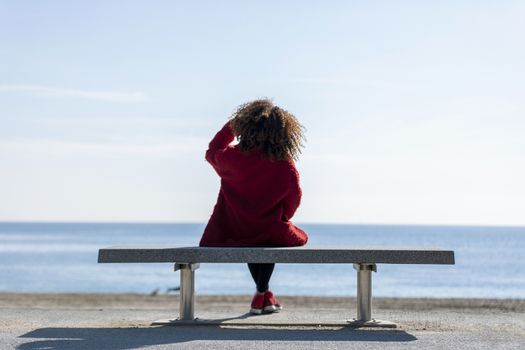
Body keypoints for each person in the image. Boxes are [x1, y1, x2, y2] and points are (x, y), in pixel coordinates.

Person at [199, 98, 308, 314]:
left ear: (245, 127)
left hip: (236, 228)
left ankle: (263, 295)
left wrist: (231, 125)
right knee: (271, 238)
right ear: (281, 132)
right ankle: (262, 294)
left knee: (250, 239)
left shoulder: (232, 157)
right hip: (269, 228)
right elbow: (294, 197)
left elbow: (212, 151)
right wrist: (282, 215)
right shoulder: (283, 162)